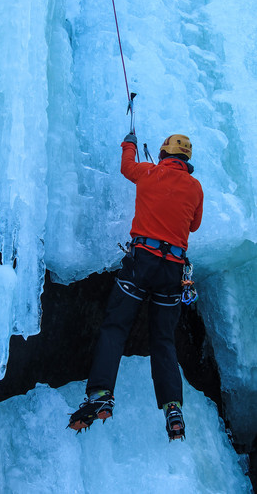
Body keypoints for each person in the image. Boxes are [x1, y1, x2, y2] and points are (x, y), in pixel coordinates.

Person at [68, 133, 204, 440]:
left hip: (141, 263)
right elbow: (193, 224)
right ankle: (173, 407)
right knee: (163, 341)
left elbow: (126, 167)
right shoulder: (195, 187)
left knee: (116, 328)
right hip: (172, 270)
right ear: (186, 161)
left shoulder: (147, 171)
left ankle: (102, 392)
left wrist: (129, 143)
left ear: (163, 153)